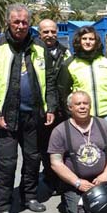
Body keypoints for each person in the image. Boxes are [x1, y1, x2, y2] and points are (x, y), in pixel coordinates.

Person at [0, 3, 57, 213]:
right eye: (16, 22)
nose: (21, 26)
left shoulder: (39, 46)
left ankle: (29, 196)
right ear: (8, 23)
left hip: (34, 116)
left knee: (33, 159)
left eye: (24, 22)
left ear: (29, 23)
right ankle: (2, 207)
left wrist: (50, 107)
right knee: (7, 163)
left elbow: (49, 80)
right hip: (6, 118)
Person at [48, 91, 107, 213]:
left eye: (85, 103)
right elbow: (56, 163)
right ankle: (70, 201)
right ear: (70, 108)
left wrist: (106, 174)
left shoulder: (102, 124)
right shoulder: (60, 131)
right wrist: (77, 182)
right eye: (78, 104)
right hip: (76, 183)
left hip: (102, 179)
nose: (82, 107)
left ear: (90, 106)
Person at [37, 18, 72, 193]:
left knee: (64, 145)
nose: (50, 35)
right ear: (39, 33)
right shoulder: (33, 52)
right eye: (46, 32)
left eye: (53, 31)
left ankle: (63, 179)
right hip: (42, 109)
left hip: (63, 109)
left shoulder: (65, 53)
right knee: (45, 147)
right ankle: (50, 178)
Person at [57, 26, 107, 122]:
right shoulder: (69, 64)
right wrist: (69, 112)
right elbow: (63, 92)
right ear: (79, 41)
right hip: (81, 114)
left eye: (91, 39)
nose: (88, 42)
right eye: (84, 39)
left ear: (96, 41)